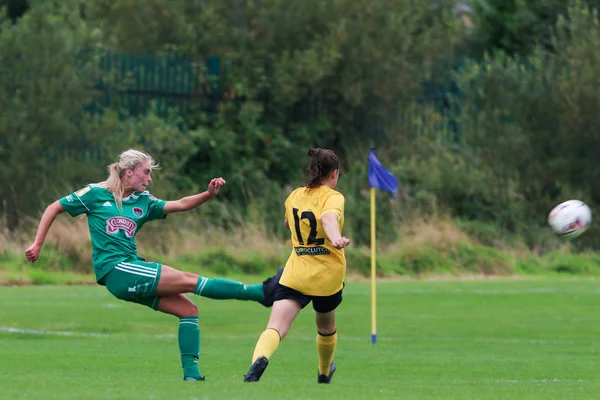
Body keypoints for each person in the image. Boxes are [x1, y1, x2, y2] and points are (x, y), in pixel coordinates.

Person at [24, 149, 283, 382]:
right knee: (190, 279)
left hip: (131, 269)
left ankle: (191, 376)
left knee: (188, 310)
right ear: (129, 172)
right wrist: (37, 244)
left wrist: (208, 194)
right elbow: (53, 207)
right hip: (116, 271)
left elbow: (180, 204)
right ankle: (260, 293)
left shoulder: (143, 201)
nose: (149, 179)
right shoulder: (95, 194)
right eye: (146, 172)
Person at [243, 147, 350, 384]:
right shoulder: (334, 197)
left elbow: (288, 222)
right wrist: (334, 238)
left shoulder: (295, 195)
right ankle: (324, 371)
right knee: (326, 326)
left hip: (296, 274)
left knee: (276, 326)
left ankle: (259, 359)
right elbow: (328, 218)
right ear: (334, 174)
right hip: (326, 276)